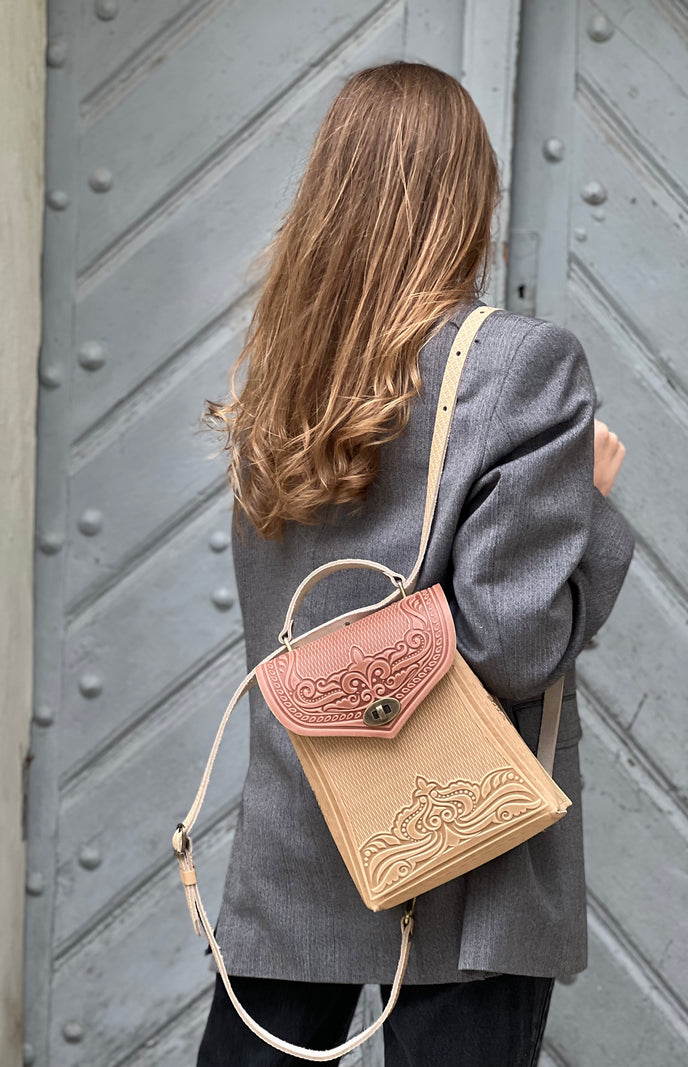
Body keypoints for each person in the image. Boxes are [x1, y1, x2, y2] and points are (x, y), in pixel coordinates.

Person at [195, 60, 634, 1067]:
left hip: (297, 832)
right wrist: (590, 514)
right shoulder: (520, 363)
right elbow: (508, 646)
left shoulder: (284, 371)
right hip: (452, 857)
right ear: (465, 197)